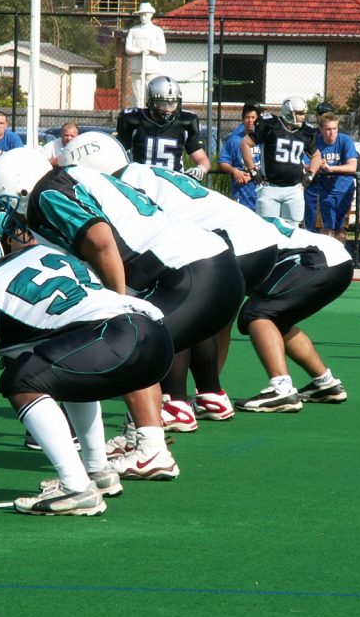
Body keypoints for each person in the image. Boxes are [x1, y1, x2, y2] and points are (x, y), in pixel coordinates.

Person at [0, 223, 176, 515]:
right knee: (57, 365)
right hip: (154, 335)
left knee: (20, 380)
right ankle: (96, 471)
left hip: (113, 336)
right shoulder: (39, 251)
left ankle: (76, 488)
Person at [0, 146, 244, 446]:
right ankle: (140, 439)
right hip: (205, 268)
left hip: (191, 273)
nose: (11, 216)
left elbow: (101, 243)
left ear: (21, 185)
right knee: (113, 341)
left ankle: (147, 447)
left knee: (124, 340)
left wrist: (114, 306)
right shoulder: (74, 180)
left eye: (7, 203)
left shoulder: (47, 192)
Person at [59, 130, 278, 420]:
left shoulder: (120, 183)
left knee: (167, 305)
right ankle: (211, 393)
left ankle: (175, 402)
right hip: (257, 240)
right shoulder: (145, 171)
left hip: (231, 243)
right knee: (192, 311)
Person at [234, 218, 353, 412]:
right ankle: (325, 382)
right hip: (337, 260)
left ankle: (281, 389)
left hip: (316, 258)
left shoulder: (217, 232)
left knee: (256, 313)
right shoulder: (236, 218)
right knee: (276, 320)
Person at [241, 97, 322, 226]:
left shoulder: (305, 132)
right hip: (269, 187)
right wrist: (252, 170)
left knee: (293, 231)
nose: (303, 117)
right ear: (289, 112)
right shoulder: (270, 125)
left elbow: (317, 156)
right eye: (300, 113)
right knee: (268, 230)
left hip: (294, 189)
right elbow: (245, 144)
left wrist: (311, 173)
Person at [116, 75, 210, 177]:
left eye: (172, 103)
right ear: (150, 102)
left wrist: (201, 168)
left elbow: (201, 158)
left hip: (173, 182)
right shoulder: (134, 119)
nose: (167, 108)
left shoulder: (186, 122)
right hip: (140, 180)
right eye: (162, 103)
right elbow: (117, 156)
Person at [305, 111, 358, 240]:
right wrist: (317, 165)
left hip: (345, 189)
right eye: (328, 129)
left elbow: (352, 166)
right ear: (321, 129)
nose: (332, 132)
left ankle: (341, 256)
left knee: (340, 227)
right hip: (325, 190)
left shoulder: (345, 140)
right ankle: (326, 255)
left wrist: (331, 168)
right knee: (326, 226)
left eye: (334, 128)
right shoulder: (315, 142)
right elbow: (304, 164)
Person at [217, 103, 261, 212]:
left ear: (258, 119)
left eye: (253, 117)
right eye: (247, 117)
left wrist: (253, 174)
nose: (250, 120)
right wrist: (234, 171)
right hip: (241, 192)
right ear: (243, 120)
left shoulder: (266, 140)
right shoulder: (234, 140)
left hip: (261, 192)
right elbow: (222, 162)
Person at [124, 2, 167, 108]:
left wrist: (150, 49)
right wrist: (139, 50)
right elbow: (128, 49)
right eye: (141, 14)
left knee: (151, 94)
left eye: (145, 14)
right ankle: (139, 116)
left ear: (151, 15)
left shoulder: (157, 31)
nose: (143, 17)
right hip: (137, 68)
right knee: (138, 96)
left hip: (152, 68)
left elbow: (163, 50)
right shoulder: (133, 30)